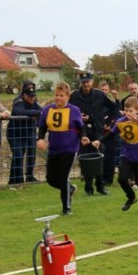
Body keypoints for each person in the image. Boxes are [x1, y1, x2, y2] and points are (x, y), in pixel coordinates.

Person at [36, 82, 86, 215]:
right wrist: (40, 139)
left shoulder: (74, 110)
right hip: (54, 149)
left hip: (70, 148)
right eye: (56, 95)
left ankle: (67, 209)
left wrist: (84, 137)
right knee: (51, 179)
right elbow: (42, 127)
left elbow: (81, 128)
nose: (58, 98)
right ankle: (69, 189)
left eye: (61, 95)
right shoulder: (48, 110)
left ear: (68, 96)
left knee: (63, 177)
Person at [9, 80, 42, 186]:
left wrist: (39, 113)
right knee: (18, 155)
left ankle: (29, 176)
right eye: (30, 96)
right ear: (24, 94)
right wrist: (37, 113)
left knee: (32, 154)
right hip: (16, 133)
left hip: (30, 132)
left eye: (33, 96)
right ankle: (16, 179)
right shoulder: (18, 101)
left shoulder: (34, 102)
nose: (32, 98)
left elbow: (44, 110)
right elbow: (20, 112)